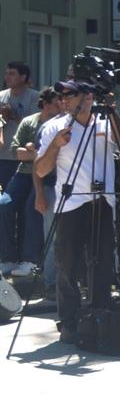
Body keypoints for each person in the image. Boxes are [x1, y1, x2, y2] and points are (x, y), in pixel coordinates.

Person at [34, 81, 115, 344]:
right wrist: (56, 145)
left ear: (88, 97)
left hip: (102, 201)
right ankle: (69, 322)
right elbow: (41, 169)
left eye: (70, 95)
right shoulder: (55, 127)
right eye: (62, 95)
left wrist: (111, 111)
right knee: (67, 265)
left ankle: (100, 316)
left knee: (101, 262)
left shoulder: (105, 122)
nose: (64, 100)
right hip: (71, 204)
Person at [7, 87, 61, 279]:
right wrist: (38, 155)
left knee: (33, 208)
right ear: (45, 104)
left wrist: (35, 154)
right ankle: (7, 258)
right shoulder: (29, 122)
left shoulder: (61, 124)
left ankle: (31, 260)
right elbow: (16, 152)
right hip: (24, 173)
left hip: (47, 175)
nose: (61, 106)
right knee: (4, 204)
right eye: (56, 103)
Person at [0, 61, 38, 271]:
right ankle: (7, 257)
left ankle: (27, 258)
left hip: (25, 163)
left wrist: (13, 116)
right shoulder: (1, 96)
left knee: (26, 210)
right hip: (3, 160)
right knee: (4, 207)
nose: (7, 77)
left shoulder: (34, 98)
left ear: (23, 77)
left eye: (12, 73)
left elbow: (35, 127)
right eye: (6, 73)